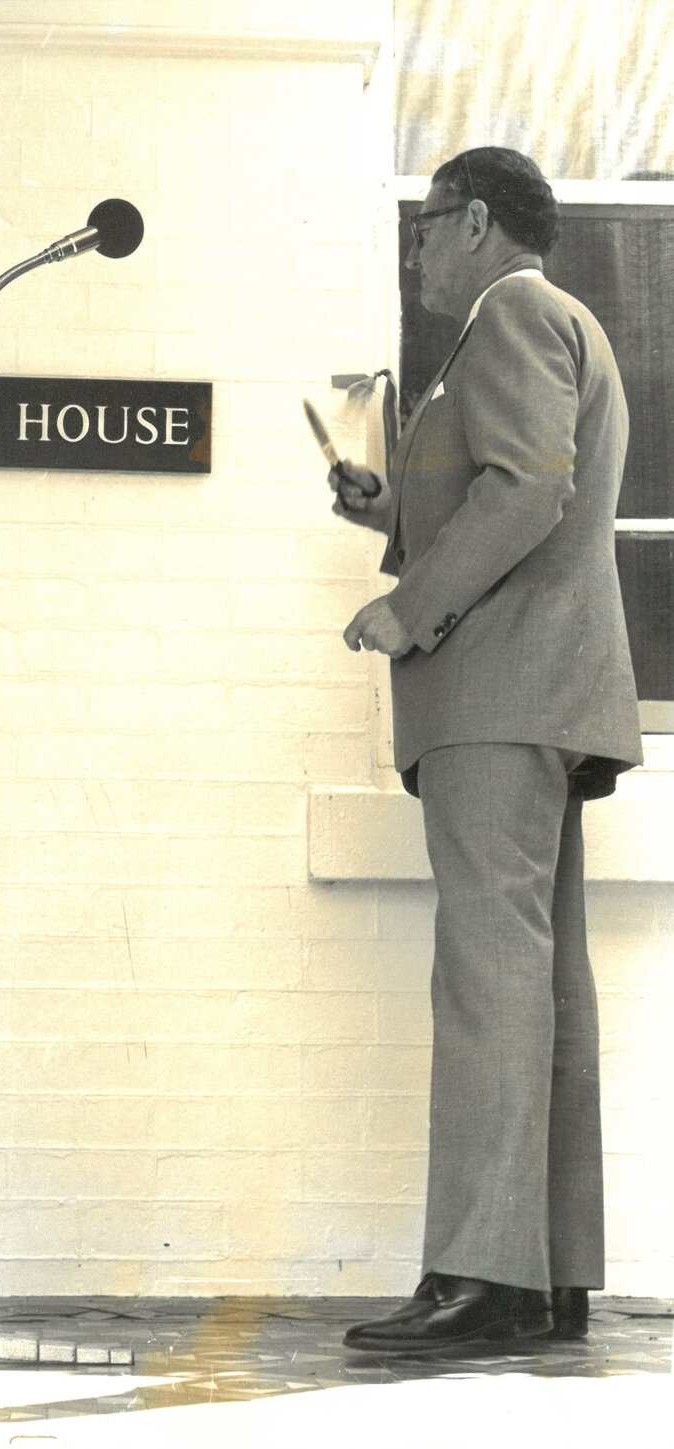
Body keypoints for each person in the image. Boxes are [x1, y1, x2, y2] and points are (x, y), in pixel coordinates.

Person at [333, 147, 643, 1352]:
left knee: (489, 982)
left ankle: (485, 1278)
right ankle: (548, 1273)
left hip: (496, 693)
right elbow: (504, 487)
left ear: (472, 223)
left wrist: (410, 608)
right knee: (540, 979)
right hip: (543, 694)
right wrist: (387, 501)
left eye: (423, 227)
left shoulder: (511, 315)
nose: (413, 250)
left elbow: (526, 492)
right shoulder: (556, 323)